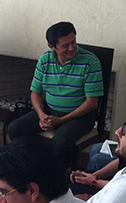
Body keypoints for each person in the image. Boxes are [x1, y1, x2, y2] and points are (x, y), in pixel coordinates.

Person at [7, 21, 103, 168]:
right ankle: (29, 166)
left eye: (73, 42)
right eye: (65, 45)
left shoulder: (91, 62)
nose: (72, 48)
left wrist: (61, 120)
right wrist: (41, 115)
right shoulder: (45, 60)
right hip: (50, 110)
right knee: (15, 127)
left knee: (61, 140)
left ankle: (57, 176)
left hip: (80, 116)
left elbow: (92, 103)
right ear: (52, 46)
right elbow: (35, 93)